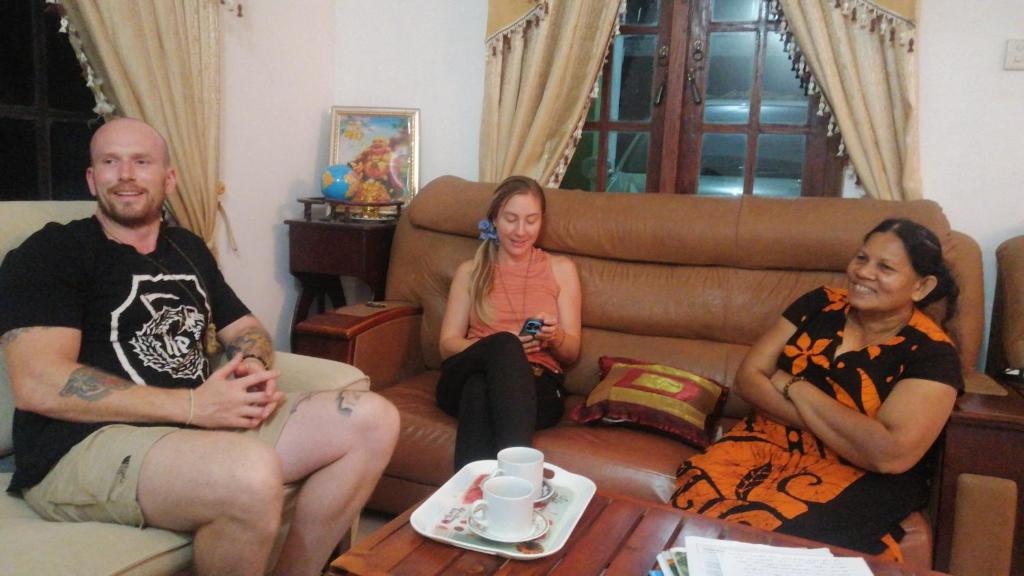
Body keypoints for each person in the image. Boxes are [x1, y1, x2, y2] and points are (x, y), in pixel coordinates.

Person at [0, 118, 400, 576]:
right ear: (93, 179)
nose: (125, 174)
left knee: (373, 419)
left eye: (141, 162)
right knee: (248, 473)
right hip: (83, 445)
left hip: (193, 427)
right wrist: (194, 406)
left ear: (168, 178)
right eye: (110, 162)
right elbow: (37, 383)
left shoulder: (186, 247)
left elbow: (245, 326)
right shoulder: (52, 251)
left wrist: (251, 362)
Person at [670, 218, 962, 561]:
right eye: (861, 258)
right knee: (693, 517)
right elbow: (748, 378)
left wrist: (794, 385)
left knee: (780, 546)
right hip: (764, 443)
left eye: (885, 267)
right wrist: (839, 428)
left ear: (922, 286)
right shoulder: (819, 303)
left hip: (858, 473)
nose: (863, 272)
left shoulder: (933, 354)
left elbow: (888, 454)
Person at [437, 176, 582, 469]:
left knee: (479, 391)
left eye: (531, 220)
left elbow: (572, 353)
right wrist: (499, 347)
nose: (520, 231)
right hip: (463, 375)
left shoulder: (561, 269)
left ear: (542, 221)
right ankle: (520, 476)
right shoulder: (471, 271)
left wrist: (554, 337)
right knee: (504, 344)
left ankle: (471, 491)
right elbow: (447, 345)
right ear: (494, 219)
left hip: (537, 385)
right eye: (511, 219)